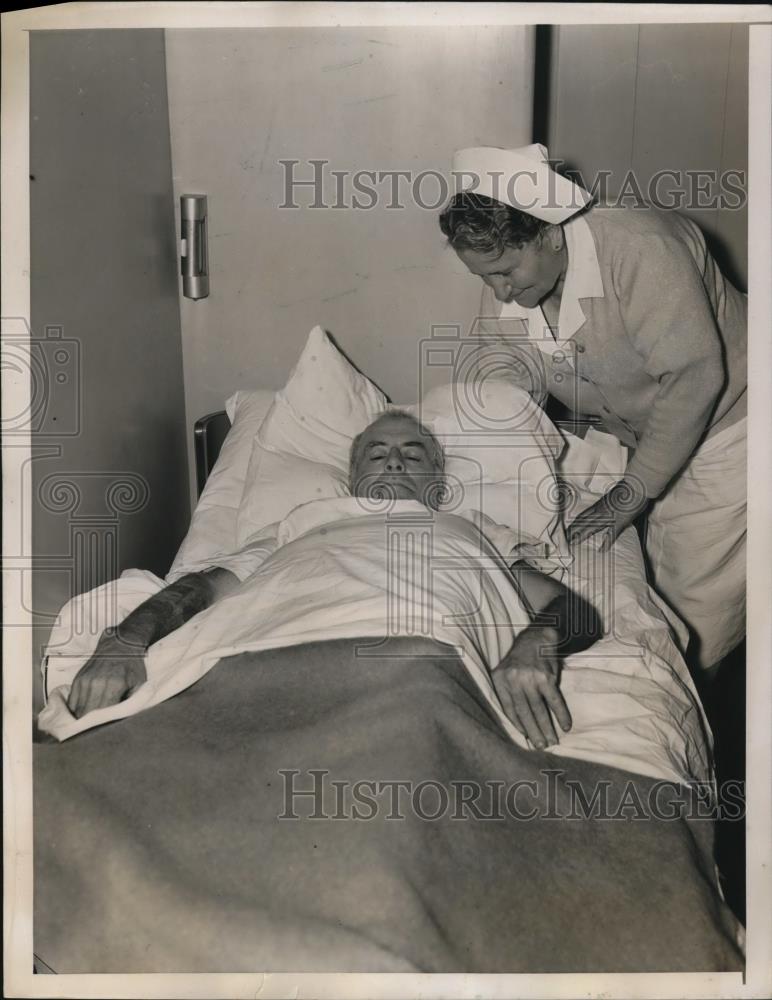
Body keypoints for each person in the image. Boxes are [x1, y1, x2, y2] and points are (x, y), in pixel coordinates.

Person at [67, 410, 601, 750]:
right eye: (376, 452)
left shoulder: (469, 527)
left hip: (413, 660)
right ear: (351, 479)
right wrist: (124, 641)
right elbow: (201, 590)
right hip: (261, 654)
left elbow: (570, 607)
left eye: (412, 454)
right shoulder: (301, 521)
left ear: (437, 485)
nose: (393, 461)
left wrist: (537, 640)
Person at [439, 144, 746, 677]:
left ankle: (708, 716)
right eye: (484, 278)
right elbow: (503, 372)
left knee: (693, 611)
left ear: (551, 232)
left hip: (736, 423)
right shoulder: (513, 274)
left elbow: (695, 378)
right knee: (661, 572)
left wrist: (629, 495)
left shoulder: (640, 248)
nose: (500, 292)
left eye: (506, 272)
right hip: (660, 427)